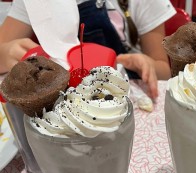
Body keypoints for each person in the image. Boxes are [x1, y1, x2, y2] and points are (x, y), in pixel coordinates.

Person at [0, 0, 176, 99]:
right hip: (59, 101)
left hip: (127, 96)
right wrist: (6, 52)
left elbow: (165, 71)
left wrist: (147, 64)